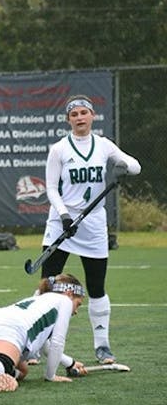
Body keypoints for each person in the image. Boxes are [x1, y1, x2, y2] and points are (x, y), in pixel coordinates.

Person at [39, 95, 141, 365]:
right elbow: (51, 188)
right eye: (74, 115)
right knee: (47, 284)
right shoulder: (59, 149)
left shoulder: (104, 145)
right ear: (68, 120)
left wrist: (123, 168)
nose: (80, 118)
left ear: (92, 115)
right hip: (61, 224)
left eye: (84, 113)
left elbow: (135, 166)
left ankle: (102, 346)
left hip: (93, 225)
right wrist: (63, 216)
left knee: (96, 286)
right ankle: (37, 343)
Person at [0, 274, 88, 392]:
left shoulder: (42, 301)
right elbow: (58, 342)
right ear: (69, 294)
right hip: (8, 331)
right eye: (78, 304)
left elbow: (46, 348)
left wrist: (70, 363)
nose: (76, 311)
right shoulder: (65, 301)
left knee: (23, 371)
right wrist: (51, 376)